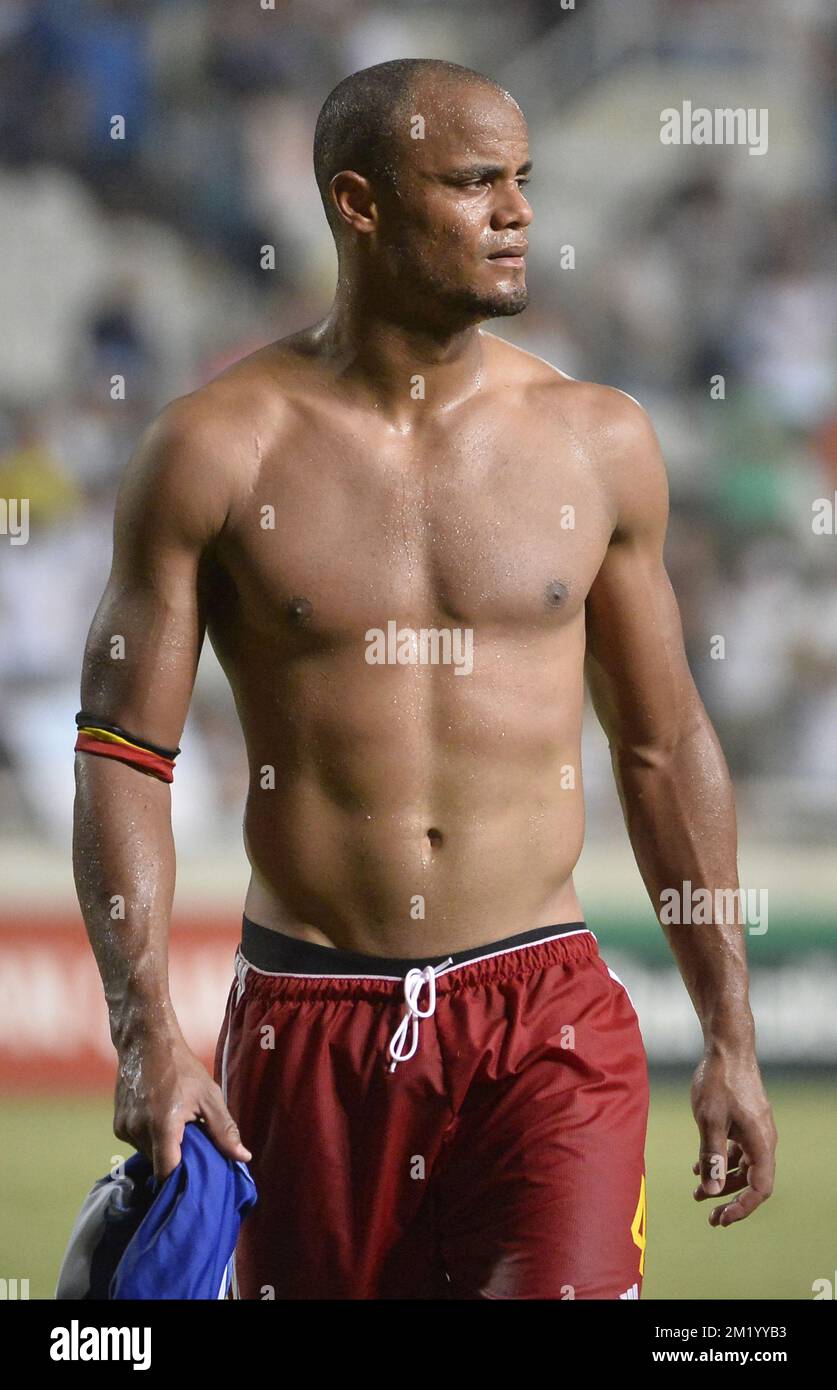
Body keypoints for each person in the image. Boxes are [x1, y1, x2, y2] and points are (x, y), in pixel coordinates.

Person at [73, 58, 777, 1300]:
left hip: (545, 1017)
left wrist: (730, 1027)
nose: (517, 213)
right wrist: (145, 1036)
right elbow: (125, 750)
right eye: (472, 183)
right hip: (309, 1024)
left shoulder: (599, 442)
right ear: (359, 203)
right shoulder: (212, 450)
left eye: (522, 180)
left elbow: (663, 745)